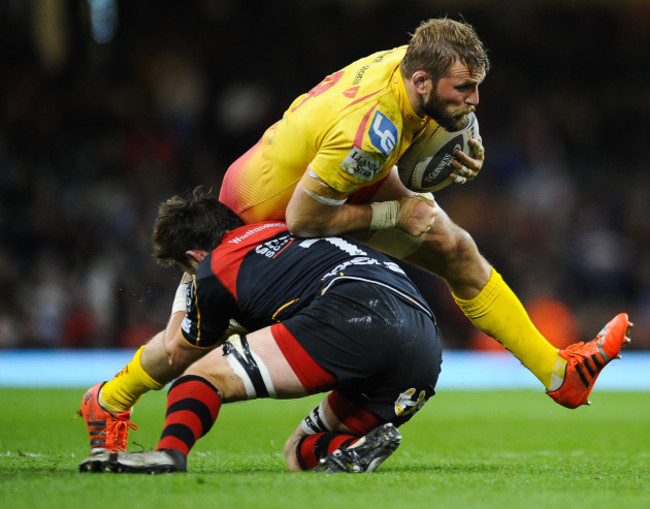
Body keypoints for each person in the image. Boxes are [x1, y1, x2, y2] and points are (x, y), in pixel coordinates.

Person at [79, 17, 633, 456]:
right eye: (464, 90)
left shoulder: (413, 70)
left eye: (476, 89)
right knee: (183, 345)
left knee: (457, 248)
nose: (474, 100)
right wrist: (395, 217)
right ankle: (108, 399)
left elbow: (412, 152)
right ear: (423, 81)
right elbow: (304, 219)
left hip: (322, 184)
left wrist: (453, 152)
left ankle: (560, 374)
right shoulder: (369, 130)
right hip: (254, 219)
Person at [80, 188, 443, 473]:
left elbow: (178, 350)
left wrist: (189, 288)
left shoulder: (214, 268)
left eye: (184, 269)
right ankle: (349, 449)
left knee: (199, 378)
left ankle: (167, 455)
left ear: (194, 257)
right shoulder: (289, 225)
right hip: (424, 338)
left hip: (352, 310)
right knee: (301, 451)